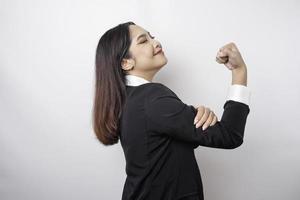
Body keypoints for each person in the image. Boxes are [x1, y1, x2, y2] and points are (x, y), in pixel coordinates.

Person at [92, 21, 251, 200]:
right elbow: (230, 135)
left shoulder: (130, 99)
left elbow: (163, 141)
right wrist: (239, 71)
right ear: (126, 63)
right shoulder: (152, 98)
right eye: (143, 41)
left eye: (152, 36)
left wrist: (191, 115)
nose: (156, 42)